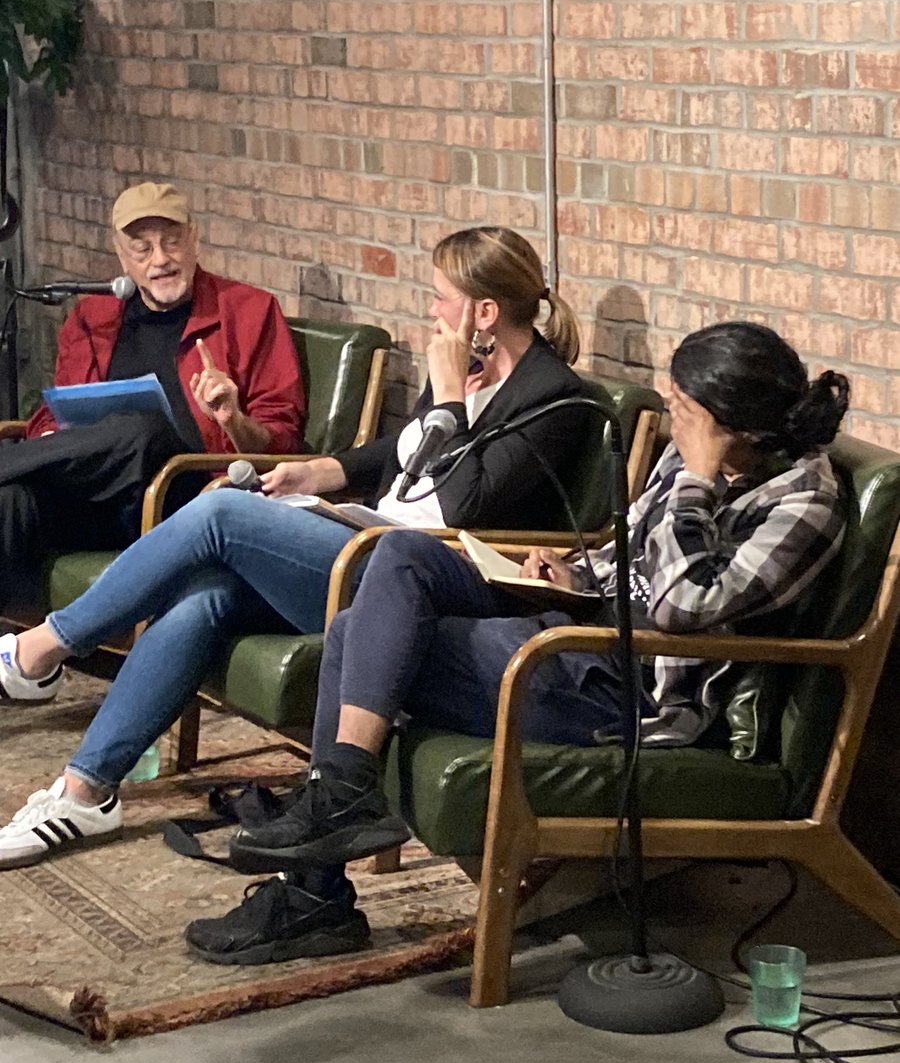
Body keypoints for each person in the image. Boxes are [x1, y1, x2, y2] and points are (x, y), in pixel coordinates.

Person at [177, 321, 850, 966]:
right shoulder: (692, 455)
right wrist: (571, 573)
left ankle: (313, 891)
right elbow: (629, 554)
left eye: (684, 411)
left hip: (628, 695)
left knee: (356, 633)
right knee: (403, 554)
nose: (676, 426)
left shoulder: (803, 501)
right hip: (580, 632)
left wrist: (697, 484)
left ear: (735, 425)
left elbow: (682, 606)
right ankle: (342, 802)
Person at [0, 226, 590, 871]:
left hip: (414, 581)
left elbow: (464, 503)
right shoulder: (471, 369)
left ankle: (39, 650)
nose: (432, 310)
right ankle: (85, 789)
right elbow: (403, 452)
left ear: (484, 312)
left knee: (224, 510)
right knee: (208, 596)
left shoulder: (555, 399)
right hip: (362, 539)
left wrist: (450, 396)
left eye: (441, 297)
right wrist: (319, 473)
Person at [0, 181, 305, 609]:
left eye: (172, 242)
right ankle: (18, 666)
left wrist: (232, 419)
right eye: (142, 249)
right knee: (10, 500)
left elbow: (284, 443)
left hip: (187, 496)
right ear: (122, 257)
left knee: (142, 430)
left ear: (195, 239)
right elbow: (55, 418)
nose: (160, 259)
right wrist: (53, 439)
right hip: (96, 495)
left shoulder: (249, 311)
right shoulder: (93, 318)